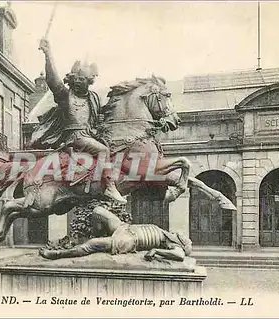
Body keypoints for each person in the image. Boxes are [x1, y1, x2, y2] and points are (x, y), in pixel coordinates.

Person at [34, 38, 127, 204]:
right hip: (74, 137)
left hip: (90, 135)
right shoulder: (65, 96)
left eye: (82, 79)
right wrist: (48, 55)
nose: (78, 81)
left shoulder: (94, 98)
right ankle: (109, 187)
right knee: (103, 151)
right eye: (76, 78)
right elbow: (53, 80)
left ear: (89, 81)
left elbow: (102, 116)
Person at [39, 206, 192, 262]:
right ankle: (98, 238)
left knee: (92, 245)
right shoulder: (166, 233)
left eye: (185, 239)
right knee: (98, 212)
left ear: (181, 243)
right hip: (125, 228)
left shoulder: (172, 245)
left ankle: (58, 254)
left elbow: (180, 256)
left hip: (129, 240)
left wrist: (156, 251)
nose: (183, 236)